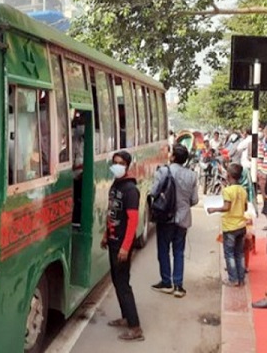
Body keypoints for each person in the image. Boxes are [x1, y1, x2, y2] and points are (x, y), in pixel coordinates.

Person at [101, 151, 144, 341]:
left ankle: (135, 328)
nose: (117, 166)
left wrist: (125, 247)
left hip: (122, 244)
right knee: (117, 281)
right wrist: (106, 235)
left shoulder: (130, 190)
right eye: (115, 162)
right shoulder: (116, 185)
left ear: (127, 166)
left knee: (123, 283)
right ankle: (126, 317)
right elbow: (112, 212)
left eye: (121, 163)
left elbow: (133, 221)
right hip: (113, 240)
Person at [150, 143, 199, 298]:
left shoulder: (164, 171)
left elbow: (153, 192)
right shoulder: (192, 175)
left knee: (163, 250)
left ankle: (166, 282)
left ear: (173, 157)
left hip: (165, 218)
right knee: (179, 252)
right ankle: (178, 285)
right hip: (183, 219)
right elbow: (194, 200)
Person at [208, 163, 247, 287]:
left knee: (229, 253)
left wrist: (214, 209)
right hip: (241, 225)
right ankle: (241, 278)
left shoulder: (227, 191)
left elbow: (226, 207)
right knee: (239, 253)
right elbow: (245, 207)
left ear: (228, 176)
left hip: (230, 227)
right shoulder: (243, 190)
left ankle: (233, 279)